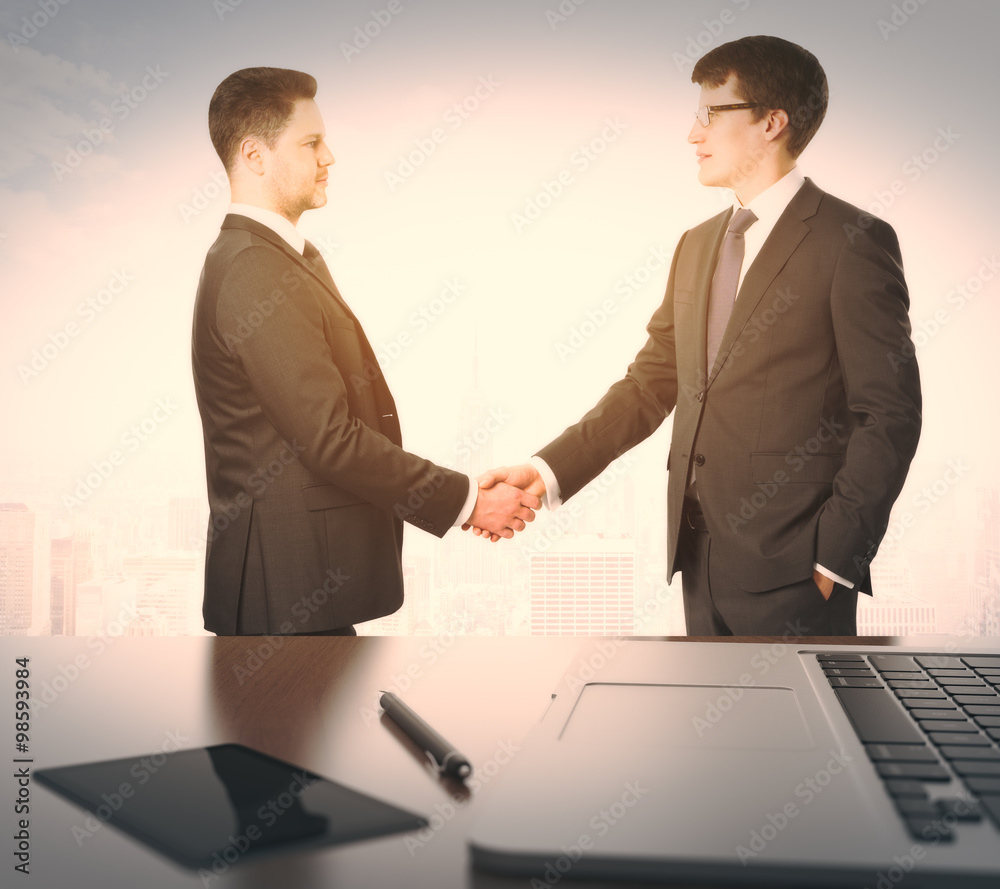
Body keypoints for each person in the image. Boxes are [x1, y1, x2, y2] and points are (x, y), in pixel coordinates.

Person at [474, 36, 921, 635]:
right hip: (697, 559)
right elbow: (649, 386)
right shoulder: (697, 244)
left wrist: (835, 558)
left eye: (711, 113)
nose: (693, 134)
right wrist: (546, 471)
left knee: (794, 731)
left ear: (771, 122)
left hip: (797, 570)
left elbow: (890, 412)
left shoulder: (852, 242)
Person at [192, 67, 538, 636]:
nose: (329, 156)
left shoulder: (276, 257)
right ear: (254, 156)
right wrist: (468, 501)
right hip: (283, 597)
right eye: (310, 143)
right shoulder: (254, 268)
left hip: (298, 592)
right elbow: (328, 438)